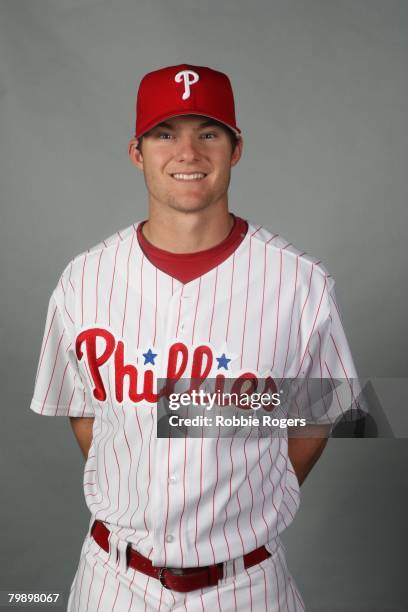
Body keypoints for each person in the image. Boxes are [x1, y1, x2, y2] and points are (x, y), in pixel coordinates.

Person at [30, 63, 360, 611]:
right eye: (166, 133)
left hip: (247, 585)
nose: (188, 153)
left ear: (236, 148)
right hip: (113, 582)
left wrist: (249, 494)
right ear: (137, 151)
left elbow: (316, 417)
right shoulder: (83, 280)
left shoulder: (301, 283)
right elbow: (86, 413)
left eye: (208, 132)